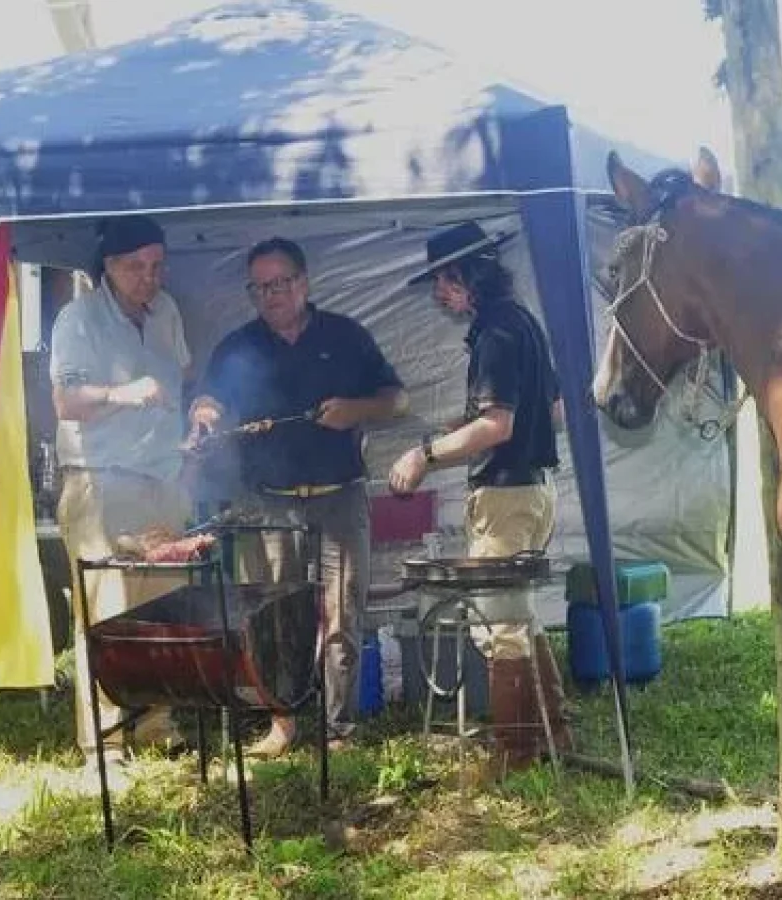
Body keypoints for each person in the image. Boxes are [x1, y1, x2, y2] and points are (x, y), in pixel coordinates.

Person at [189, 237, 406, 756]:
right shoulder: (238, 347)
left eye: (281, 282)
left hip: (339, 498)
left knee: (341, 616)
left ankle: (340, 730)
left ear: (304, 283)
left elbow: (397, 399)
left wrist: (354, 410)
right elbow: (206, 399)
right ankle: (282, 724)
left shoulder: (346, 336)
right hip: (270, 504)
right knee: (275, 617)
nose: (272, 294)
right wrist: (202, 414)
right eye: (260, 287)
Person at [388, 221, 571, 774]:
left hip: (507, 494)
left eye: (445, 279)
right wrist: (453, 428)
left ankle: (513, 756)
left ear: (472, 274)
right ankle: (554, 735)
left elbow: (497, 427)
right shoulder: (523, 324)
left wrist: (425, 456)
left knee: (499, 624)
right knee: (519, 615)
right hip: (536, 490)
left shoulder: (495, 332)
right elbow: (554, 412)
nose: (441, 291)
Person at [49, 214, 194, 769]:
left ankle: (157, 723)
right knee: (108, 616)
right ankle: (105, 744)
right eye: (137, 267)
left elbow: (181, 375)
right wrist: (125, 392)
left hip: (163, 481)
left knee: (163, 611)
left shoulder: (168, 311)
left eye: (156, 266)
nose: (149, 278)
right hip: (102, 486)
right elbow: (67, 403)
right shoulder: (77, 318)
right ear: (109, 266)